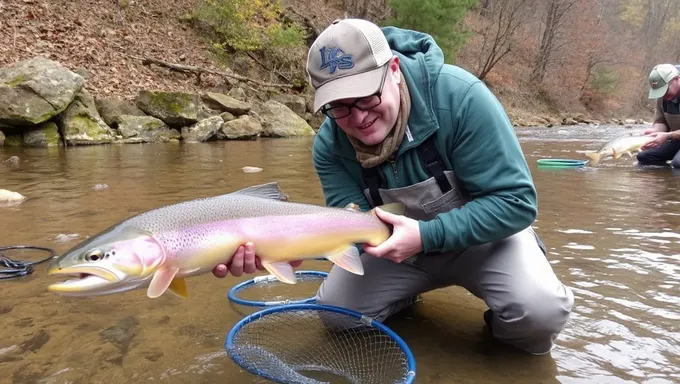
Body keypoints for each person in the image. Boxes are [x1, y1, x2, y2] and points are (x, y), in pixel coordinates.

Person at [213, 19, 574, 356]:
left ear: (395, 71)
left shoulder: (462, 98)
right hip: (393, 250)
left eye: (366, 96)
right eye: (338, 106)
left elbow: (516, 202)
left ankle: (497, 340)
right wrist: (289, 250)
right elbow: (349, 224)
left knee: (539, 314)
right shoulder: (329, 144)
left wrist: (425, 235)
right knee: (338, 316)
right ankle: (404, 298)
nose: (357, 117)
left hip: (485, 242)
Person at [638, 63, 680, 168]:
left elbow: (667, 135)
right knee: (644, 157)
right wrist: (655, 134)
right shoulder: (662, 97)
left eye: (665, 90)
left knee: (678, 163)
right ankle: (667, 181)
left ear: (676, 79)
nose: (663, 95)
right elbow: (660, 121)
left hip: (674, 137)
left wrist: (667, 136)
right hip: (677, 140)